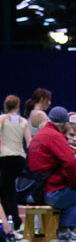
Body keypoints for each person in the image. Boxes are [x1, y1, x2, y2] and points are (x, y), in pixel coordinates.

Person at [28, 105, 76, 242]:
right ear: (64, 124)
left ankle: (64, 231)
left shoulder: (39, 135)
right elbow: (70, 163)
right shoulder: (55, 136)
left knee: (70, 192)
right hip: (51, 192)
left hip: (36, 191)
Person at [0, 94, 31, 231]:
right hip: (19, 158)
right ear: (18, 106)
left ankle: (12, 221)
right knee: (10, 189)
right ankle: (13, 220)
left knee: (7, 191)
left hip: (5, 157)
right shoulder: (24, 121)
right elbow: (29, 142)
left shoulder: (2, 119)